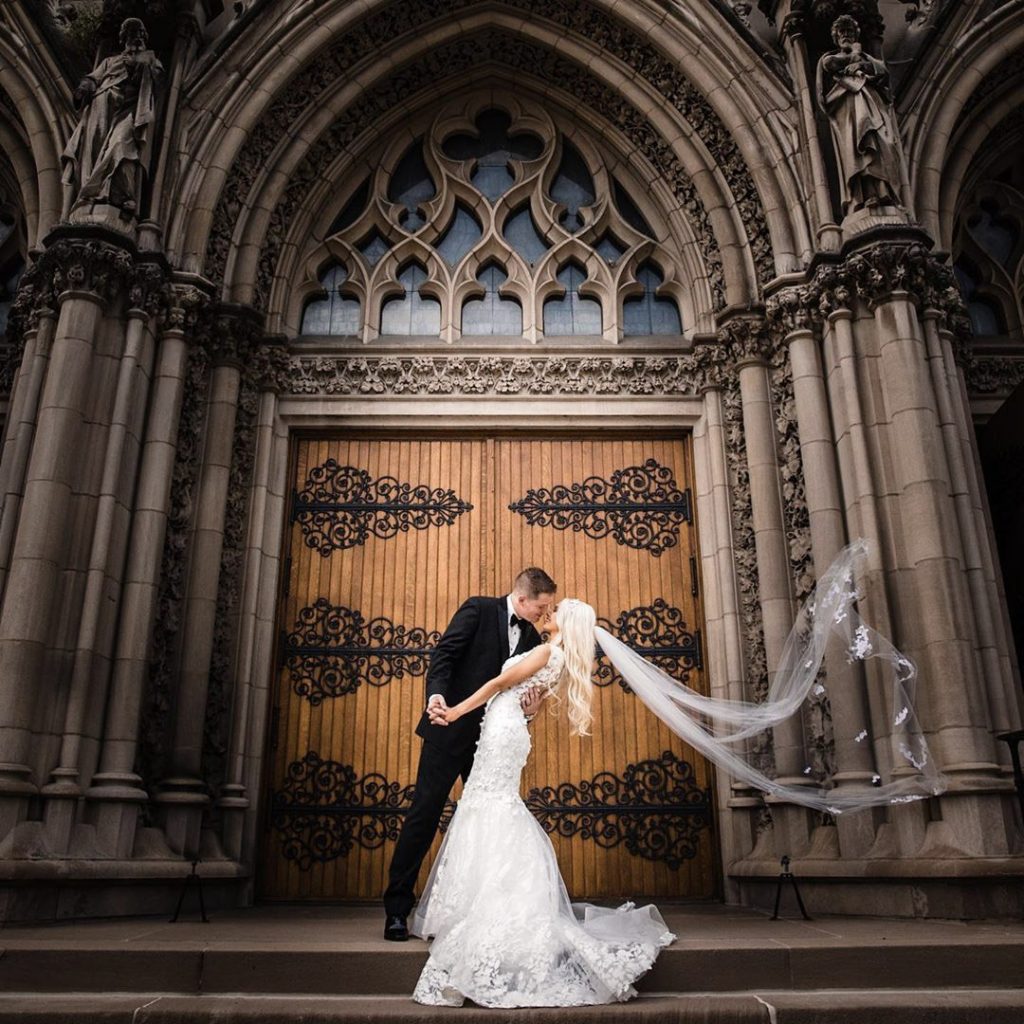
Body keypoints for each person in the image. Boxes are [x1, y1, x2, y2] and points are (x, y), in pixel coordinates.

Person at [411, 598, 674, 1008]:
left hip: (501, 732)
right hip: (508, 728)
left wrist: (457, 711)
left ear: (566, 622)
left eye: (557, 610)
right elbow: (519, 696)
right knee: (487, 805)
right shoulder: (557, 655)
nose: (548, 613)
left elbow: (499, 685)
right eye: (548, 607)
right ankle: (478, 901)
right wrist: (524, 712)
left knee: (487, 804)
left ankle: (490, 907)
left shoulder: (547, 650)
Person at [382, 567, 556, 941]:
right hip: (448, 730)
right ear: (523, 599)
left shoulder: (532, 640)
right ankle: (397, 909)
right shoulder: (477, 610)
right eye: (540, 608)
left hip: (490, 743)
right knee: (424, 815)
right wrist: (436, 695)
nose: (543, 615)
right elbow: (445, 654)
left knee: (483, 823)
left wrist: (529, 710)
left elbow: (514, 693)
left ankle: (477, 913)